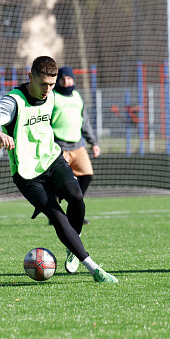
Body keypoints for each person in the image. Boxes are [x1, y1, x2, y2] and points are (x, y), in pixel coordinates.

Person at [0, 56, 118, 282]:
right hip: (27, 173)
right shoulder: (14, 101)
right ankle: (93, 268)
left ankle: (73, 245)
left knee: (77, 197)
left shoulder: (52, 96)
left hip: (52, 159)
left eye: (52, 84)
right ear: (30, 77)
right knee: (57, 215)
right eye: (43, 84)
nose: (47, 90)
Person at [51, 66, 100, 224]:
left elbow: (84, 122)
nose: (66, 81)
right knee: (57, 182)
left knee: (87, 175)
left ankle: (75, 209)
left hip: (78, 145)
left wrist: (94, 142)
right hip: (58, 146)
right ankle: (55, 215)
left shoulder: (77, 96)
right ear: (58, 80)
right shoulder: (52, 97)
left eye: (69, 78)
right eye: (63, 79)